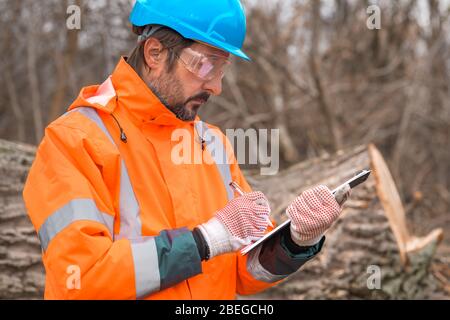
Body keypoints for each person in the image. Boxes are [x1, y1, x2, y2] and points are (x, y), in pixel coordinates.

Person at [23, 0, 351, 299]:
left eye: (222, 68)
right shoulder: (74, 140)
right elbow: (81, 279)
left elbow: (242, 272)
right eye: (206, 65)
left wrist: (294, 241)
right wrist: (203, 242)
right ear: (155, 53)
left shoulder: (214, 145)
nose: (216, 86)